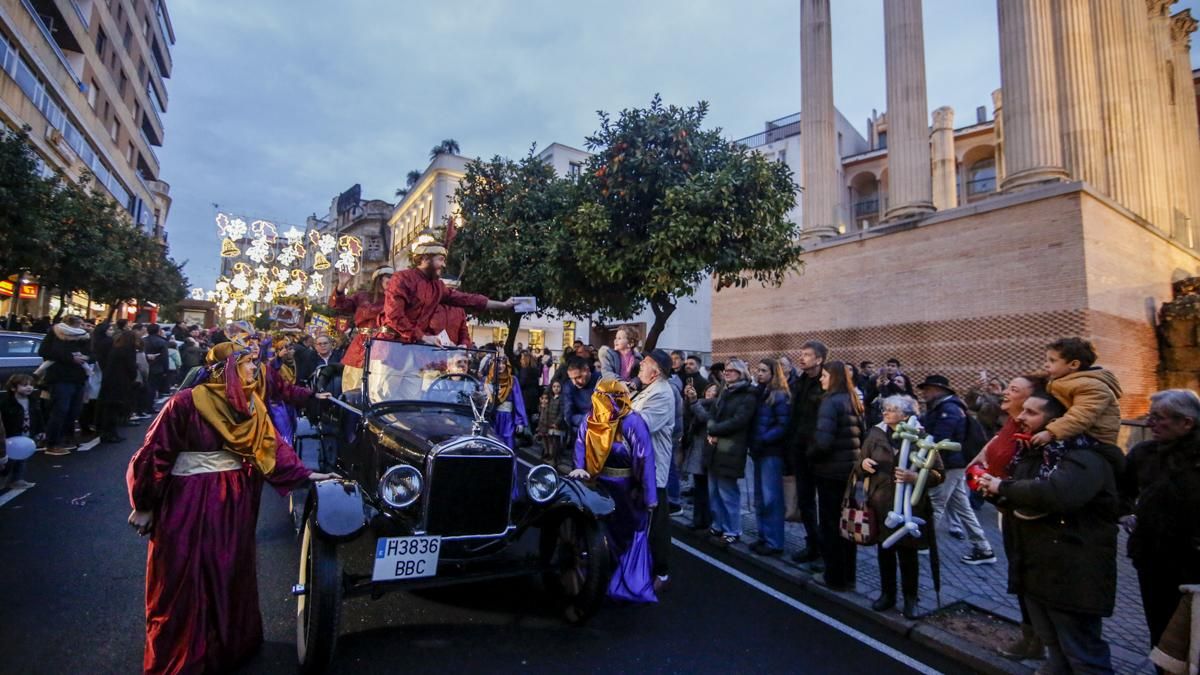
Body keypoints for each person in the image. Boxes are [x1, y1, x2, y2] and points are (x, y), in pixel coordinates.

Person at [125, 342, 336, 673]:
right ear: (227, 369)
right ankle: (186, 654)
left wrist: (306, 472)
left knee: (226, 570)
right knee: (183, 576)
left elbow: (271, 446)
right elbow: (157, 453)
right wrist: (145, 504)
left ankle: (225, 648)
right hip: (189, 501)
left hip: (231, 501)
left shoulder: (251, 404)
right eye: (248, 364)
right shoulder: (185, 402)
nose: (255, 369)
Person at [977, 391, 1123, 675]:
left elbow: (1057, 494)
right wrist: (994, 493)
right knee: (1054, 648)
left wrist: (1002, 488)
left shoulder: (1084, 456)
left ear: (1057, 421)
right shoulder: (1033, 451)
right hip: (1038, 569)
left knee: (1082, 654)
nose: (1020, 417)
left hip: (1071, 573)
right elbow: (1022, 494)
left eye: (1032, 412)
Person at [965, 373, 1048, 659]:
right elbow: (986, 451)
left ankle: (1040, 641)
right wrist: (976, 470)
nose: (1006, 393)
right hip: (1005, 508)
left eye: (1013, 389)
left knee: (1030, 578)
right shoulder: (1009, 423)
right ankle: (1031, 637)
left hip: (1025, 513)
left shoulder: (1035, 433)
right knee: (1019, 576)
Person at [1118, 389, 1200, 653]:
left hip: (1195, 562)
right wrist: (1125, 513)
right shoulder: (1144, 453)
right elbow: (1121, 491)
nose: (1149, 424)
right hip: (1153, 559)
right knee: (1162, 632)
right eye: (1149, 417)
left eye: (1158, 418)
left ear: (1186, 422)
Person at [568, 378, 658, 604]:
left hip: (626, 490)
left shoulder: (632, 422)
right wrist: (579, 469)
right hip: (596, 487)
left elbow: (645, 458)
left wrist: (650, 495)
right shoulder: (591, 420)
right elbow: (581, 445)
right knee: (598, 531)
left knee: (624, 532)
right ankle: (599, 574)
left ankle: (621, 577)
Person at [855, 394, 942, 618]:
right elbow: (859, 465)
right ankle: (887, 594)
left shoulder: (920, 437)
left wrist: (916, 477)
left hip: (910, 507)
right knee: (885, 550)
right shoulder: (875, 433)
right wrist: (863, 465)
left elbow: (938, 473)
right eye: (885, 408)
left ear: (906, 415)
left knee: (908, 554)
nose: (886, 412)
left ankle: (911, 598)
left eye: (892, 409)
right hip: (881, 502)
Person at [917, 374, 996, 565]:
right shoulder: (945, 407)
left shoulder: (948, 409)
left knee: (936, 502)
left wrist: (921, 436)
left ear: (939, 390)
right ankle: (983, 547)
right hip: (953, 463)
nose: (924, 393)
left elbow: (940, 439)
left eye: (927, 389)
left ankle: (923, 542)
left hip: (949, 464)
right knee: (962, 505)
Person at [380, 238, 514, 343]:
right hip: (391, 347)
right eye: (441, 260)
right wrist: (423, 337)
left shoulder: (437, 286)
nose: (444, 265)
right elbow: (394, 316)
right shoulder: (401, 278)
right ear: (425, 258)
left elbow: (466, 299)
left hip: (415, 349)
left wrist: (503, 305)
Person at [810, 360, 864, 591]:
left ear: (834, 378)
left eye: (824, 375)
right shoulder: (853, 400)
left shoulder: (830, 402)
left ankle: (833, 576)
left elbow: (823, 441)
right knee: (847, 525)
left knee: (831, 525)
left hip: (831, 471)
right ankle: (848, 575)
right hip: (849, 471)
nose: (821, 379)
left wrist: (810, 453)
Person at [629, 348, 678, 592]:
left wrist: (615, 413)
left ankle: (662, 571)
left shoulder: (662, 393)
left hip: (653, 469)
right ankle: (638, 565)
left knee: (656, 523)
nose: (640, 366)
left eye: (644, 363)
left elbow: (640, 425)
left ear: (655, 371)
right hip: (638, 467)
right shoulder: (647, 389)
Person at [704, 359, 757, 549]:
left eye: (732, 370)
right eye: (726, 370)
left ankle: (732, 530)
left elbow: (740, 420)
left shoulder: (748, 394)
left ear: (741, 373)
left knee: (728, 491)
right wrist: (711, 429)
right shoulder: (725, 391)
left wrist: (715, 430)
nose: (727, 373)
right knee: (714, 491)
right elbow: (712, 412)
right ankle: (718, 525)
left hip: (732, 448)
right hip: (715, 446)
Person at [1034, 337, 1122, 447]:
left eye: (1052, 361)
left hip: (1096, 439)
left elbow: (1080, 417)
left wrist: (1051, 432)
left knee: (1054, 447)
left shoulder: (1092, 387)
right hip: (1077, 432)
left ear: (1074, 365)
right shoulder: (1064, 381)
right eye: (1046, 360)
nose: (1045, 365)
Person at [786, 341, 827, 565]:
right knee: (805, 502)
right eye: (801, 355)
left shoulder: (825, 384)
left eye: (807, 355)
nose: (801, 358)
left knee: (823, 507)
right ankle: (812, 545)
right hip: (799, 451)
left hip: (818, 454)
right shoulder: (800, 382)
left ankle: (823, 551)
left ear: (819, 359)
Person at [750, 358, 791, 557]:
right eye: (758, 370)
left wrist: (764, 439)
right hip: (759, 451)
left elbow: (783, 426)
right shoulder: (759, 393)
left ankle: (774, 542)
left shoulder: (779, 395)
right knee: (760, 497)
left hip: (771, 452)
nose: (759, 373)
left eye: (764, 370)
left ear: (774, 374)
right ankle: (763, 536)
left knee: (771, 498)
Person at [329, 266, 393, 394]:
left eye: (394, 278)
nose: (392, 280)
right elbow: (338, 305)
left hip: (387, 347)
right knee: (354, 387)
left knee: (382, 388)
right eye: (388, 277)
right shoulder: (362, 296)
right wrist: (341, 285)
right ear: (379, 279)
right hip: (361, 346)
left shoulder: (396, 299)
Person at [39, 316, 92, 456]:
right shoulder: (55, 333)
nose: (82, 327)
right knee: (60, 410)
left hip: (78, 377)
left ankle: (65, 438)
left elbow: (92, 354)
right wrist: (70, 358)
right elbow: (44, 352)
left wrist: (85, 357)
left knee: (74, 411)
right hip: (60, 377)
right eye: (80, 324)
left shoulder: (84, 337)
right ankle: (52, 443)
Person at [683, 382, 718, 531]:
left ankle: (708, 520)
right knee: (699, 488)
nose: (710, 394)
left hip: (708, 450)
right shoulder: (698, 403)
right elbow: (686, 414)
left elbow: (706, 419)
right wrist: (688, 399)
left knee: (708, 488)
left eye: (713, 392)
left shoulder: (715, 406)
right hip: (697, 448)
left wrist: (694, 402)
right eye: (708, 391)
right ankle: (698, 519)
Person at [0, 374, 44, 489]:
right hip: (11, 436)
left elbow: (39, 417)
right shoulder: (6, 403)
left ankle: (17, 479)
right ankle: (3, 479)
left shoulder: (33, 401)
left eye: (31, 385)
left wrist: (41, 430)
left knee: (22, 458)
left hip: (27, 434)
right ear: (13, 388)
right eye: (24, 385)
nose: (29, 388)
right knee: (8, 461)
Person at [482, 353, 527, 450]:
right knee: (491, 445)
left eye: (504, 363)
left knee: (507, 445)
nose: (501, 366)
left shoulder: (512, 380)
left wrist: (520, 421)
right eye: (498, 363)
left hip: (507, 419)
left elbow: (518, 401)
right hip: (492, 417)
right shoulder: (488, 380)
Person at [561, 357, 600, 440]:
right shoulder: (569, 386)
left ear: (586, 370)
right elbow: (568, 413)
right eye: (571, 379)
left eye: (578, 377)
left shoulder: (601, 381)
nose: (575, 383)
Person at [536, 380, 565, 467]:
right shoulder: (551, 398)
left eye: (558, 386)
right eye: (554, 387)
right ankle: (550, 456)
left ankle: (556, 459)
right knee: (550, 441)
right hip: (549, 423)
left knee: (556, 443)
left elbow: (562, 412)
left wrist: (557, 422)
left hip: (557, 425)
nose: (556, 388)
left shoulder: (561, 399)